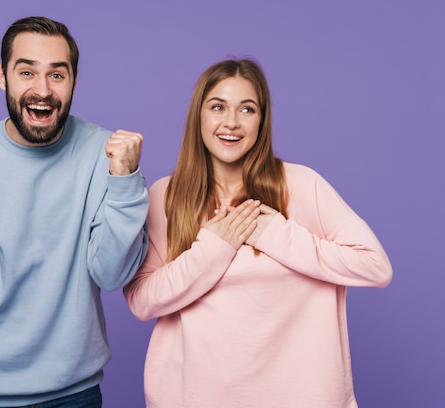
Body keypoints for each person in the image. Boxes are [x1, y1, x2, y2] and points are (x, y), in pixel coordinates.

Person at [123, 58, 393, 407]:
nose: (231, 122)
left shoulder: (300, 185)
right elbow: (142, 301)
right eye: (218, 107)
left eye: (247, 109)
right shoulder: (167, 195)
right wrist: (214, 248)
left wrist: (277, 236)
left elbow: (375, 266)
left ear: (262, 120)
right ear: (199, 116)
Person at [0, 16, 149, 408]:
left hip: (73, 393)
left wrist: (125, 183)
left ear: (74, 80)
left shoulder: (106, 154)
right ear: (2, 76)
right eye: (26, 72)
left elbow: (111, 274)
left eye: (57, 75)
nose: (41, 90)